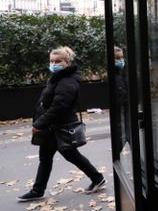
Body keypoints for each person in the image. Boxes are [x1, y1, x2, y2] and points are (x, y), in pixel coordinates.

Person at [17, 46, 105, 202]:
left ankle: (97, 178)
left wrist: (39, 123)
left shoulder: (67, 81)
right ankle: (38, 190)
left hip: (59, 127)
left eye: (58, 61)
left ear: (67, 62)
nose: (53, 64)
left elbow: (59, 107)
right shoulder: (58, 78)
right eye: (51, 61)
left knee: (72, 156)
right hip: (52, 128)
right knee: (46, 158)